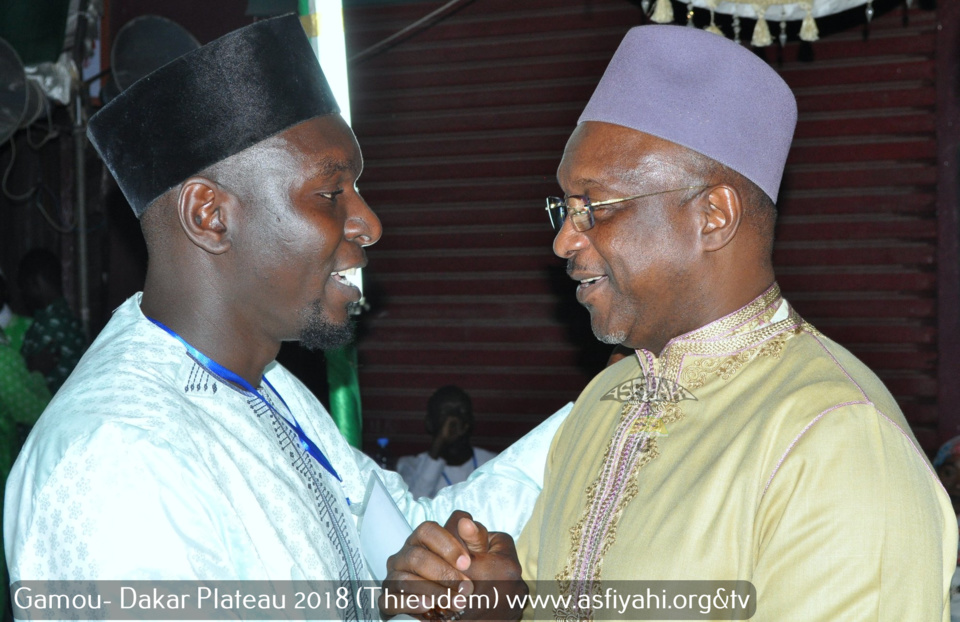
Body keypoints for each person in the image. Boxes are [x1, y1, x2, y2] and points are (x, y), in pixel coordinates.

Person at [383, 25, 956, 621]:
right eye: (564, 208)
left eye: (594, 208)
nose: (562, 240)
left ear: (713, 215)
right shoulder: (605, 402)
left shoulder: (839, 443)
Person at [3, 15, 570, 607]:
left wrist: (621, 393)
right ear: (209, 215)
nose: (370, 224)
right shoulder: (117, 458)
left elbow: (408, 535)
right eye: (331, 193)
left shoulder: (261, 384)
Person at [397, 385, 497, 498]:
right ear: (429, 423)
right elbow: (412, 505)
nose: (453, 421)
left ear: (471, 421)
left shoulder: (494, 463)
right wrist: (439, 445)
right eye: (445, 414)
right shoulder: (410, 465)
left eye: (461, 412)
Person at [16, 249, 87, 393]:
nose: (24, 295)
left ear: (35, 282)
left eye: (24, 287)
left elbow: (31, 378)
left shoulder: (49, 324)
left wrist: (28, 366)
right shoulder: (67, 318)